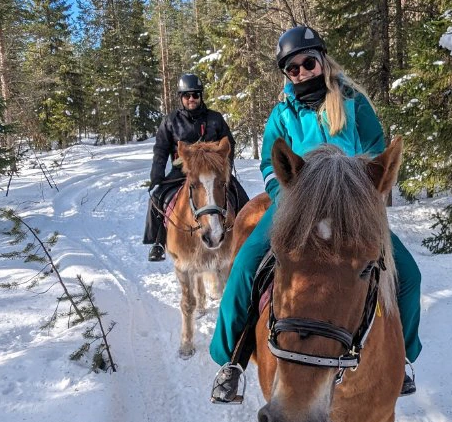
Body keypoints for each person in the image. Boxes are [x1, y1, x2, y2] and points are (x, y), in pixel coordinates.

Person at [209, 26, 422, 403]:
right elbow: (269, 164)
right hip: (297, 205)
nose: (303, 72)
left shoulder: (353, 103)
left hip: (352, 206)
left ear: (322, 61)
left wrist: (363, 197)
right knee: (245, 266)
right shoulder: (281, 115)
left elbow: (375, 155)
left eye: (309, 62)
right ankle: (231, 360)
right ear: (286, 75)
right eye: (293, 69)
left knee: (408, 273)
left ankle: (402, 357)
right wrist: (287, 196)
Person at [143, 73, 247, 261]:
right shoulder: (171, 120)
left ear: (201, 96)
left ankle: (247, 232)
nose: (191, 99)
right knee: (157, 198)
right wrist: (157, 175)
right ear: (181, 98)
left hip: (211, 171)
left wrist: (224, 170)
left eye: (195, 95)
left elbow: (228, 144)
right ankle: (158, 241)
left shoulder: (215, 118)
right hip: (182, 170)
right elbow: (160, 149)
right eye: (187, 95)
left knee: (240, 195)